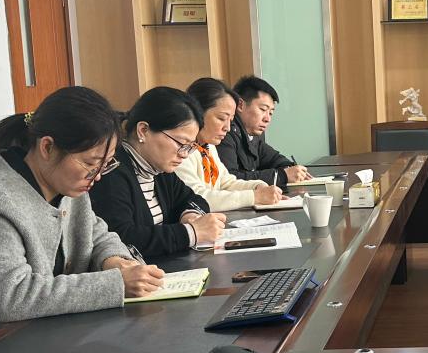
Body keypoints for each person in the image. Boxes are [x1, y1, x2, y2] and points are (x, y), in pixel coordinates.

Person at [0, 87, 164, 353]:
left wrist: (114, 260)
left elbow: (96, 233)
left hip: (44, 336)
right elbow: (11, 298)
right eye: (91, 164)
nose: (97, 176)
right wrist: (116, 283)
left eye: (105, 164)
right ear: (47, 147)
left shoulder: (63, 182)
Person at [90, 87, 227, 260]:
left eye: (190, 147)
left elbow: (192, 199)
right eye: (181, 143)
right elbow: (121, 238)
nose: (184, 154)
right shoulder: (112, 172)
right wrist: (190, 233)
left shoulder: (159, 170)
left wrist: (191, 215)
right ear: (143, 130)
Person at [176, 78, 284, 211]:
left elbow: (226, 182)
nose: (227, 128)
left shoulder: (208, 146)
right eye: (221, 118)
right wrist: (254, 196)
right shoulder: (180, 150)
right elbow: (197, 197)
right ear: (197, 112)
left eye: (231, 120)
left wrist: (257, 187)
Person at [217, 75, 312, 184]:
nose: (267, 119)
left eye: (270, 113)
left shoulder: (252, 135)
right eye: (263, 109)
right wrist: (281, 176)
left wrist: (290, 168)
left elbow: (274, 158)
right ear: (240, 105)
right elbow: (230, 179)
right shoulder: (224, 133)